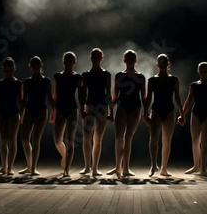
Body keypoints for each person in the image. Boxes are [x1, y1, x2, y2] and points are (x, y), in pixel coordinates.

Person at [106, 50, 146, 177]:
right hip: (122, 107)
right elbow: (114, 95)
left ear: (135, 60)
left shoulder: (140, 77)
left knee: (128, 138)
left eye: (132, 57)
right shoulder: (119, 76)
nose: (130, 59)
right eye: (128, 57)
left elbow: (144, 96)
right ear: (124, 60)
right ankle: (118, 167)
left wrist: (146, 113)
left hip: (135, 108)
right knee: (119, 137)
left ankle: (126, 168)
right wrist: (111, 111)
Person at [144, 53, 185, 177]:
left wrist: (182, 113)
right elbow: (149, 97)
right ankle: (153, 165)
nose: (162, 64)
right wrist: (145, 113)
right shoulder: (152, 80)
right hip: (156, 110)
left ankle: (164, 168)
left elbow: (177, 97)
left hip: (169, 111)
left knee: (167, 140)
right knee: (154, 138)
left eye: (164, 62)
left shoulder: (174, 80)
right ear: (157, 64)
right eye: (160, 62)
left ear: (168, 64)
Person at [80, 48, 112, 176]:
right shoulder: (86, 75)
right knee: (87, 137)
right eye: (93, 56)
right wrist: (82, 109)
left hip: (102, 107)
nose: (95, 58)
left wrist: (112, 112)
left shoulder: (106, 74)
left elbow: (108, 93)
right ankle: (87, 167)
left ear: (101, 58)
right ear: (91, 58)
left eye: (97, 56)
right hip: (89, 105)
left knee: (98, 138)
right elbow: (82, 93)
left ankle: (94, 168)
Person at [19, 56, 53, 176]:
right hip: (29, 110)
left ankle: (33, 168)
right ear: (30, 66)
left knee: (36, 139)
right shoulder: (27, 81)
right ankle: (29, 165)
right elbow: (23, 100)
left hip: (41, 111)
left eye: (37, 64)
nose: (35, 66)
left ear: (41, 65)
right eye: (33, 64)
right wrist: (21, 113)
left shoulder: (46, 81)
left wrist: (53, 112)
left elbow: (50, 98)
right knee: (24, 138)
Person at [51, 51, 83, 177]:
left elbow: (80, 95)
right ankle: (65, 156)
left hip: (72, 109)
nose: (69, 61)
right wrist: (53, 111)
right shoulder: (57, 76)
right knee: (57, 140)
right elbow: (55, 95)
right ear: (63, 61)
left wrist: (83, 109)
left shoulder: (77, 77)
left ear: (74, 62)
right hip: (59, 108)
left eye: (71, 59)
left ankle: (67, 169)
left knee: (70, 140)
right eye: (66, 59)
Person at [0, 57, 23, 176]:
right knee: (3, 140)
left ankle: (10, 167)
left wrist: (22, 114)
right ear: (3, 70)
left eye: (10, 70)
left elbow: (21, 100)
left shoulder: (17, 83)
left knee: (12, 140)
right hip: (2, 113)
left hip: (14, 113)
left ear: (14, 69)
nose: (8, 72)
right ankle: (4, 166)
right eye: (6, 70)